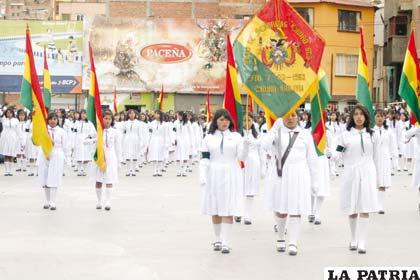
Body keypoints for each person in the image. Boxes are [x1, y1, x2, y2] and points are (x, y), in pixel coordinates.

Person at [263, 111, 318, 256]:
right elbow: (264, 145)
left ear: (298, 117)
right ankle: (281, 237)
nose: (290, 118)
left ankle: (293, 242)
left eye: (294, 115)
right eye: (287, 115)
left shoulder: (305, 134)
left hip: (299, 174)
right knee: (281, 209)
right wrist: (274, 128)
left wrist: (315, 181)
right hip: (280, 174)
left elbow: (312, 159)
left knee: (296, 208)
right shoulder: (277, 132)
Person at [200, 109, 250, 254]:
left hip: (231, 172)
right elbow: (205, 158)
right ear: (215, 121)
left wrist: (246, 145)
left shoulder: (236, 137)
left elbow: (241, 157)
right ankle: (217, 239)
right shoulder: (208, 138)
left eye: (227, 120)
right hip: (214, 173)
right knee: (215, 208)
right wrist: (203, 174)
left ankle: (226, 242)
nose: (224, 122)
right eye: (221, 119)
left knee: (228, 208)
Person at [336, 104, 380, 254]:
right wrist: (331, 154)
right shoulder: (345, 135)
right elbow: (338, 153)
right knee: (352, 207)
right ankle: (353, 238)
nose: (359, 117)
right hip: (351, 173)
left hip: (367, 173)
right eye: (356, 114)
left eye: (362, 114)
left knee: (365, 207)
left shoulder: (373, 135)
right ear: (352, 117)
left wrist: (377, 178)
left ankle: (362, 241)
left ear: (366, 117)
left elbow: (377, 157)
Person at [92, 110, 122, 211]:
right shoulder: (98, 130)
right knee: (99, 179)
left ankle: (108, 201)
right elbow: (85, 140)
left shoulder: (115, 131)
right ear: (102, 119)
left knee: (109, 179)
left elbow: (118, 147)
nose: (107, 121)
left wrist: (119, 161)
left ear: (112, 120)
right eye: (105, 118)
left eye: (109, 119)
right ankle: (99, 201)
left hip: (111, 156)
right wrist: (95, 140)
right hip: (100, 155)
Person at [38, 113, 68, 211]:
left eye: (54, 119)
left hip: (57, 154)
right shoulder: (44, 130)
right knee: (45, 177)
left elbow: (65, 146)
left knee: (54, 178)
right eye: (50, 119)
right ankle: (47, 201)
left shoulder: (61, 131)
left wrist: (66, 158)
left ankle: (53, 201)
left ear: (57, 120)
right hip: (45, 155)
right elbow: (37, 142)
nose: (52, 121)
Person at [373, 109, 397, 214]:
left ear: (385, 118)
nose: (380, 118)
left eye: (382, 116)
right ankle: (373, 203)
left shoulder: (389, 131)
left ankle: (380, 205)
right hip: (373, 159)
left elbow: (393, 146)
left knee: (382, 182)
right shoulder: (370, 131)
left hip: (384, 159)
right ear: (374, 117)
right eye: (378, 116)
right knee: (373, 182)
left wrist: (394, 160)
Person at [241, 113, 261, 225]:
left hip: (253, 163)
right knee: (240, 188)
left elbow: (261, 150)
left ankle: (247, 215)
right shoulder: (237, 133)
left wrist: (263, 167)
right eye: (244, 120)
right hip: (241, 162)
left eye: (249, 120)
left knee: (250, 189)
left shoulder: (256, 134)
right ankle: (238, 212)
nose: (247, 122)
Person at [148, 111, 169, 176]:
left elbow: (166, 134)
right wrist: (148, 142)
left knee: (160, 155)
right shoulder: (151, 124)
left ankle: (159, 170)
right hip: (153, 141)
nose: (156, 115)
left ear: (160, 115)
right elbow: (149, 134)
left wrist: (166, 143)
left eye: (158, 114)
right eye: (155, 114)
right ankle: (154, 170)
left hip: (161, 141)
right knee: (154, 155)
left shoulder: (164, 124)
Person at [74, 110, 95, 176]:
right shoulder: (77, 123)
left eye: (85, 114)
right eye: (82, 114)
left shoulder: (89, 123)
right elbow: (74, 131)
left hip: (86, 141)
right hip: (78, 141)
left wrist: (89, 136)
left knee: (86, 155)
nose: (83, 115)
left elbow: (93, 132)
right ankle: (80, 170)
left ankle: (84, 170)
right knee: (79, 155)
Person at [0, 108, 19, 176]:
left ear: (12, 113)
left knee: (11, 155)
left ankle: (10, 171)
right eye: (7, 113)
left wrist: (18, 138)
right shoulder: (3, 119)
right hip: (5, 137)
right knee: (6, 155)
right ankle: (6, 171)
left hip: (13, 138)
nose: (9, 114)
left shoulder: (16, 120)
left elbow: (18, 130)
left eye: (10, 113)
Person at [174, 111, 193, 177]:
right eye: (178, 115)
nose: (178, 117)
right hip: (178, 140)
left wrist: (191, 142)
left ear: (183, 116)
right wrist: (174, 139)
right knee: (178, 155)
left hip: (186, 140)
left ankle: (184, 171)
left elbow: (191, 133)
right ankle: (179, 171)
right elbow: (173, 132)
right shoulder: (175, 122)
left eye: (180, 115)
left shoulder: (188, 122)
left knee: (185, 155)